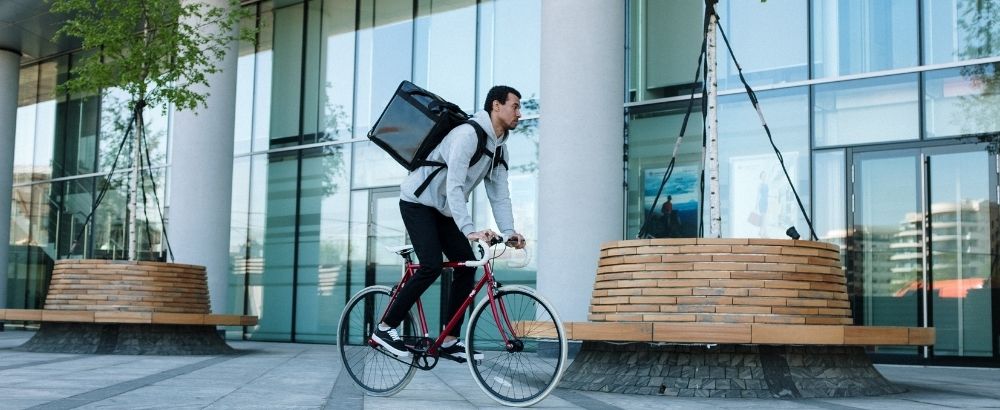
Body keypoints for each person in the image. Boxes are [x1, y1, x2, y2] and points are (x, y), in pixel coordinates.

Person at [371, 85, 527, 360]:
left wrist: (509, 232)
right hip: (417, 202)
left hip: (443, 211)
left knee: (466, 267)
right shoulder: (467, 134)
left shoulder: (500, 150)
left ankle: (449, 340)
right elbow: (455, 186)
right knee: (431, 265)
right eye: (515, 106)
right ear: (496, 105)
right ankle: (384, 328)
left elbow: (500, 195)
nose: (519, 113)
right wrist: (469, 230)